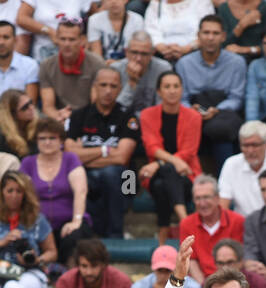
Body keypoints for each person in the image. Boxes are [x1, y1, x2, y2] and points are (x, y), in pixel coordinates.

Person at [65, 66, 138, 238]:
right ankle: (89, 234)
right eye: (103, 85)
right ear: (94, 87)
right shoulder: (78, 116)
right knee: (82, 178)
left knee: (110, 174)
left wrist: (84, 155)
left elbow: (122, 158)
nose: (108, 91)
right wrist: (105, 150)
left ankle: (115, 234)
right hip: (89, 175)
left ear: (120, 89)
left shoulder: (128, 116)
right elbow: (70, 155)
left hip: (128, 180)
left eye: (113, 86)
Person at [137, 70, 200, 244]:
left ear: (181, 89)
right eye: (167, 87)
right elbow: (151, 147)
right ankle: (185, 220)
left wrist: (158, 164)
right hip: (164, 171)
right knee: (165, 173)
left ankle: (163, 231)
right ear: (159, 91)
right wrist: (169, 162)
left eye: (176, 86)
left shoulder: (194, 116)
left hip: (186, 174)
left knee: (160, 184)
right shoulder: (147, 115)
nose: (172, 90)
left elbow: (189, 151)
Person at [174, 16, 245, 165]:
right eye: (206, 33)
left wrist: (217, 110)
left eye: (215, 33)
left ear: (223, 36)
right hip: (193, 111)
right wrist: (190, 110)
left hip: (223, 113)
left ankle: (224, 181)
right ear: (198, 35)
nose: (210, 38)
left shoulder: (236, 62)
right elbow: (182, 98)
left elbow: (236, 98)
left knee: (220, 129)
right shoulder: (184, 63)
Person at [20, 114, 89, 262]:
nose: (47, 142)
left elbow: (80, 191)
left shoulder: (71, 159)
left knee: (74, 236)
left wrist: (76, 221)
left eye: (52, 138)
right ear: (36, 141)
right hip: (37, 223)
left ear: (61, 140)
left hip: (68, 222)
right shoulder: (27, 163)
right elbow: (22, 195)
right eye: (42, 138)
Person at [179, 176, 244, 282]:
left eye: (206, 197)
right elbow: (191, 260)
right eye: (198, 198)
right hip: (200, 281)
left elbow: (239, 259)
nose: (202, 203)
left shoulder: (237, 221)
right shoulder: (186, 224)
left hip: (231, 277)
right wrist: (204, 286)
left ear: (217, 198)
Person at [38, 17, 104, 121]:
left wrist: (75, 120)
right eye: (63, 39)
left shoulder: (97, 64)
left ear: (82, 40)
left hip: (88, 119)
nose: (67, 44)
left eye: (72, 39)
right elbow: (48, 107)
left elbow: (96, 104)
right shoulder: (46, 66)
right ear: (57, 39)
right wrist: (59, 117)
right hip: (60, 119)